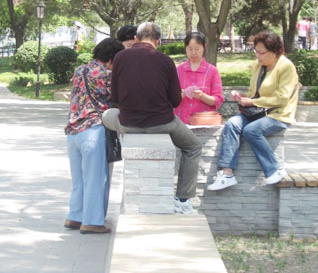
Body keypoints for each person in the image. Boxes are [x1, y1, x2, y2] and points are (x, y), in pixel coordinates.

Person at [102, 22, 202, 214]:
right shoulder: (166, 61)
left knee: (107, 115)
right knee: (193, 147)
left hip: (128, 123)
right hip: (163, 124)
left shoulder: (120, 58)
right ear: (158, 41)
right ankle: (182, 200)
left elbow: (114, 97)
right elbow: (174, 100)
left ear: (136, 39)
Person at [207, 30, 299, 191]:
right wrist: (242, 96)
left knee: (251, 131)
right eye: (256, 51)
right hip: (257, 112)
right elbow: (254, 93)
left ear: (275, 51)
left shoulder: (286, 67)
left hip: (279, 115)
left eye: (261, 52)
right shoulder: (258, 66)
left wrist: (253, 101)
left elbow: (282, 99)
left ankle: (274, 169)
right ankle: (226, 173)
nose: (258, 56)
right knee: (232, 124)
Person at [64, 37, 124, 234]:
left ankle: (75, 216)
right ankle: (92, 222)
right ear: (111, 59)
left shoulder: (80, 70)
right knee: (96, 178)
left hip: (73, 131)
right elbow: (118, 99)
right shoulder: (107, 74)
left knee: (79, 179)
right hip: (93, 130)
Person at [174, 31, 224, 124]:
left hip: (204, 122)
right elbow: (170, 99)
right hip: (181, 122)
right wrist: (178, 95)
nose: (193, 52)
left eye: (197, 49)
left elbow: (218, 100)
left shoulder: (212, 71)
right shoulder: (178, 70)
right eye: (190, 49)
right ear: (185, 49)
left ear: (204, 47)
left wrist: (203, 96)